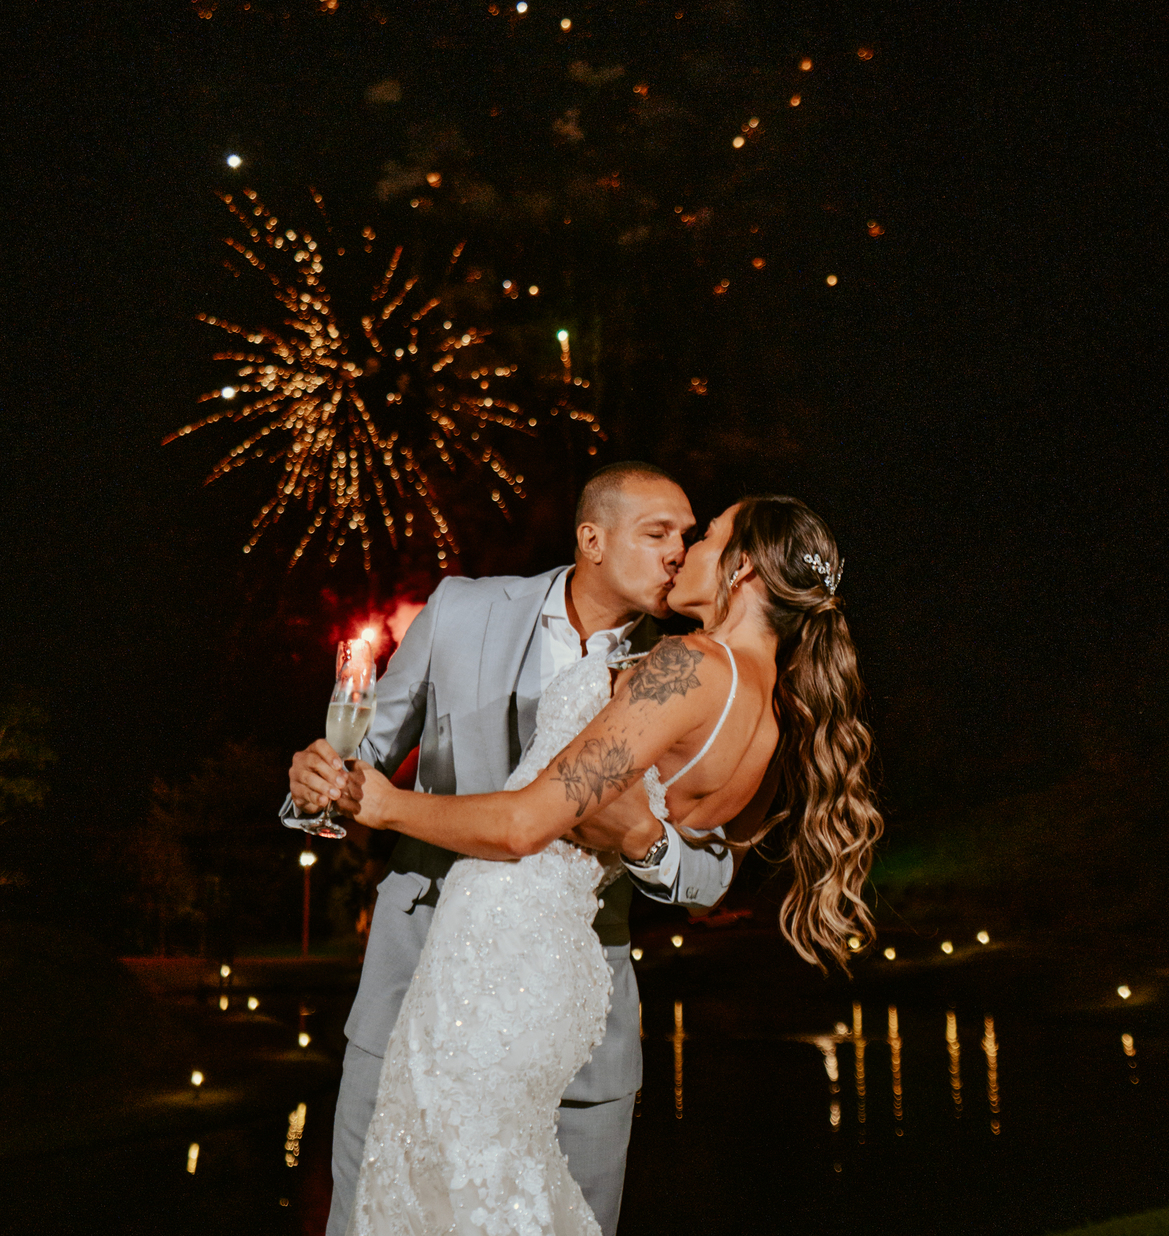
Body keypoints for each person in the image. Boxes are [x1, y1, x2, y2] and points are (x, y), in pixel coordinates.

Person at [335, 494, 882, 1236]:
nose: (686, 551)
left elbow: (528, 822)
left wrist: (382, 805)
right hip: (553, 972)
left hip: (498, 961)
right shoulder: (776, 716)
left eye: (708, 535)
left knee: (437, 1202)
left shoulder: (688, 666)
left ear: (745, 565)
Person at [284, 464, 735, 1236]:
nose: (679, 553)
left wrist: (645, 840)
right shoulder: (461, 610)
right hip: (413, 994)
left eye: (689, 538)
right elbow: (360, 753)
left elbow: (712, 871)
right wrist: (313, 783)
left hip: (573, 1031)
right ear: (591, 539)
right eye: (658, 533)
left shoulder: (687, 671)